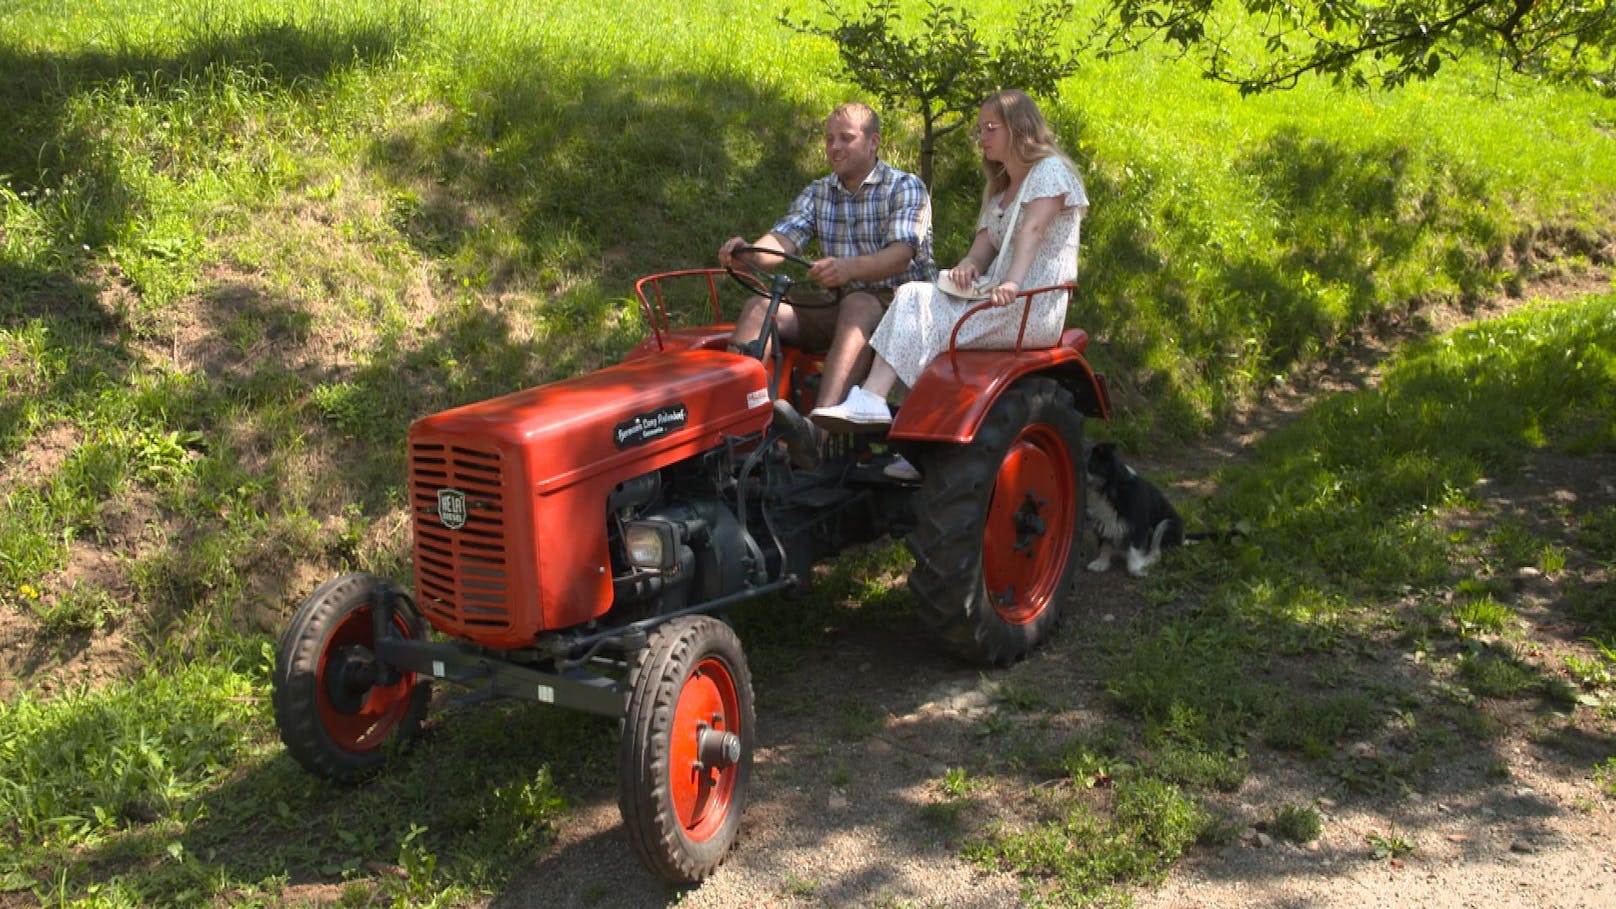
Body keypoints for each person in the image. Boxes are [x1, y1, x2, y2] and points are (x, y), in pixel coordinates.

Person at [808, 90, 1088, 480]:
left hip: (1028, 304)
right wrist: (965, 270)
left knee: (913, 298)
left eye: (992, 128)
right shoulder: (1004, 189)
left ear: (1019, 129)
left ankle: (873, 399)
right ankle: (918, 444)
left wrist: (1012, 281)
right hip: (1000, 297)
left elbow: (1034, 230)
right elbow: (979, 253)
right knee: (919, 310)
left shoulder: (1049, 172)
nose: (983, 137)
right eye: (979, 130)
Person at [718, 102, 934, 465]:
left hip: (901, 307)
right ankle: (732, 429)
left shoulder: (905, 186)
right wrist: (748, 252)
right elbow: (783, 241)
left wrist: (849, 269)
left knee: (859, 304)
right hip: (841, 299)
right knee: (759, 307)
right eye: (829, 139)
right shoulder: (820, 192)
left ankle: (814, 435)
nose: (834, 147)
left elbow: (901, 254)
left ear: (873, 142)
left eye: (846, 138)